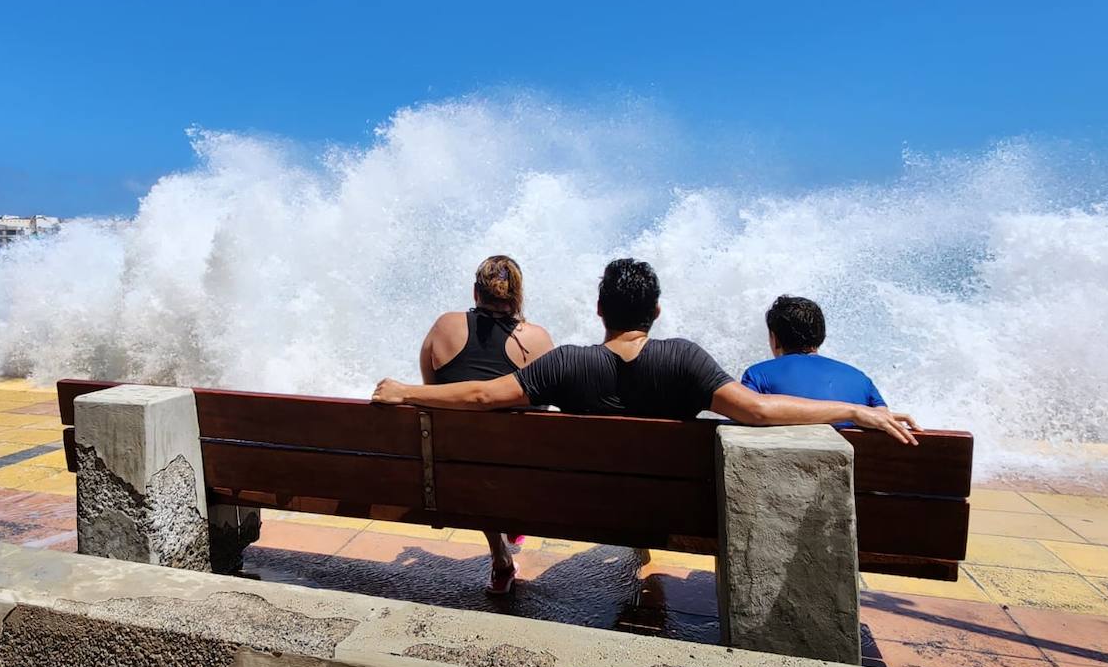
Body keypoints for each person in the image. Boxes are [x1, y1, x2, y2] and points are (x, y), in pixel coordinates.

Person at [373, 258, 917, 447]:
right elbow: (759, 412)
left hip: (578, 507)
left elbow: (483, 393)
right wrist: (853, 411)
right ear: (655, 313)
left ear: (598, 309)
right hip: (671, 510)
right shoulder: (684, 358)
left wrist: (403, 391)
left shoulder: (565, 362)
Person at [419, 255, 554, 595]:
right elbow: (546, 407)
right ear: (518, 296)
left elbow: (433, 392)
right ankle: (513, 517)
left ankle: (500, 558)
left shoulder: (444, 327)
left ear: (475, 293)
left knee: (473, 458)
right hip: (516, 471)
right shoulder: (536, 339)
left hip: (458, 471)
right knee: (511, 452)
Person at [741, 296, 888, 419]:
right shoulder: (861, 379)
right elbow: (884, 419)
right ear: (822, 336)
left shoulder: (757, 375)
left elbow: (744, 420)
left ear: (775, 339)